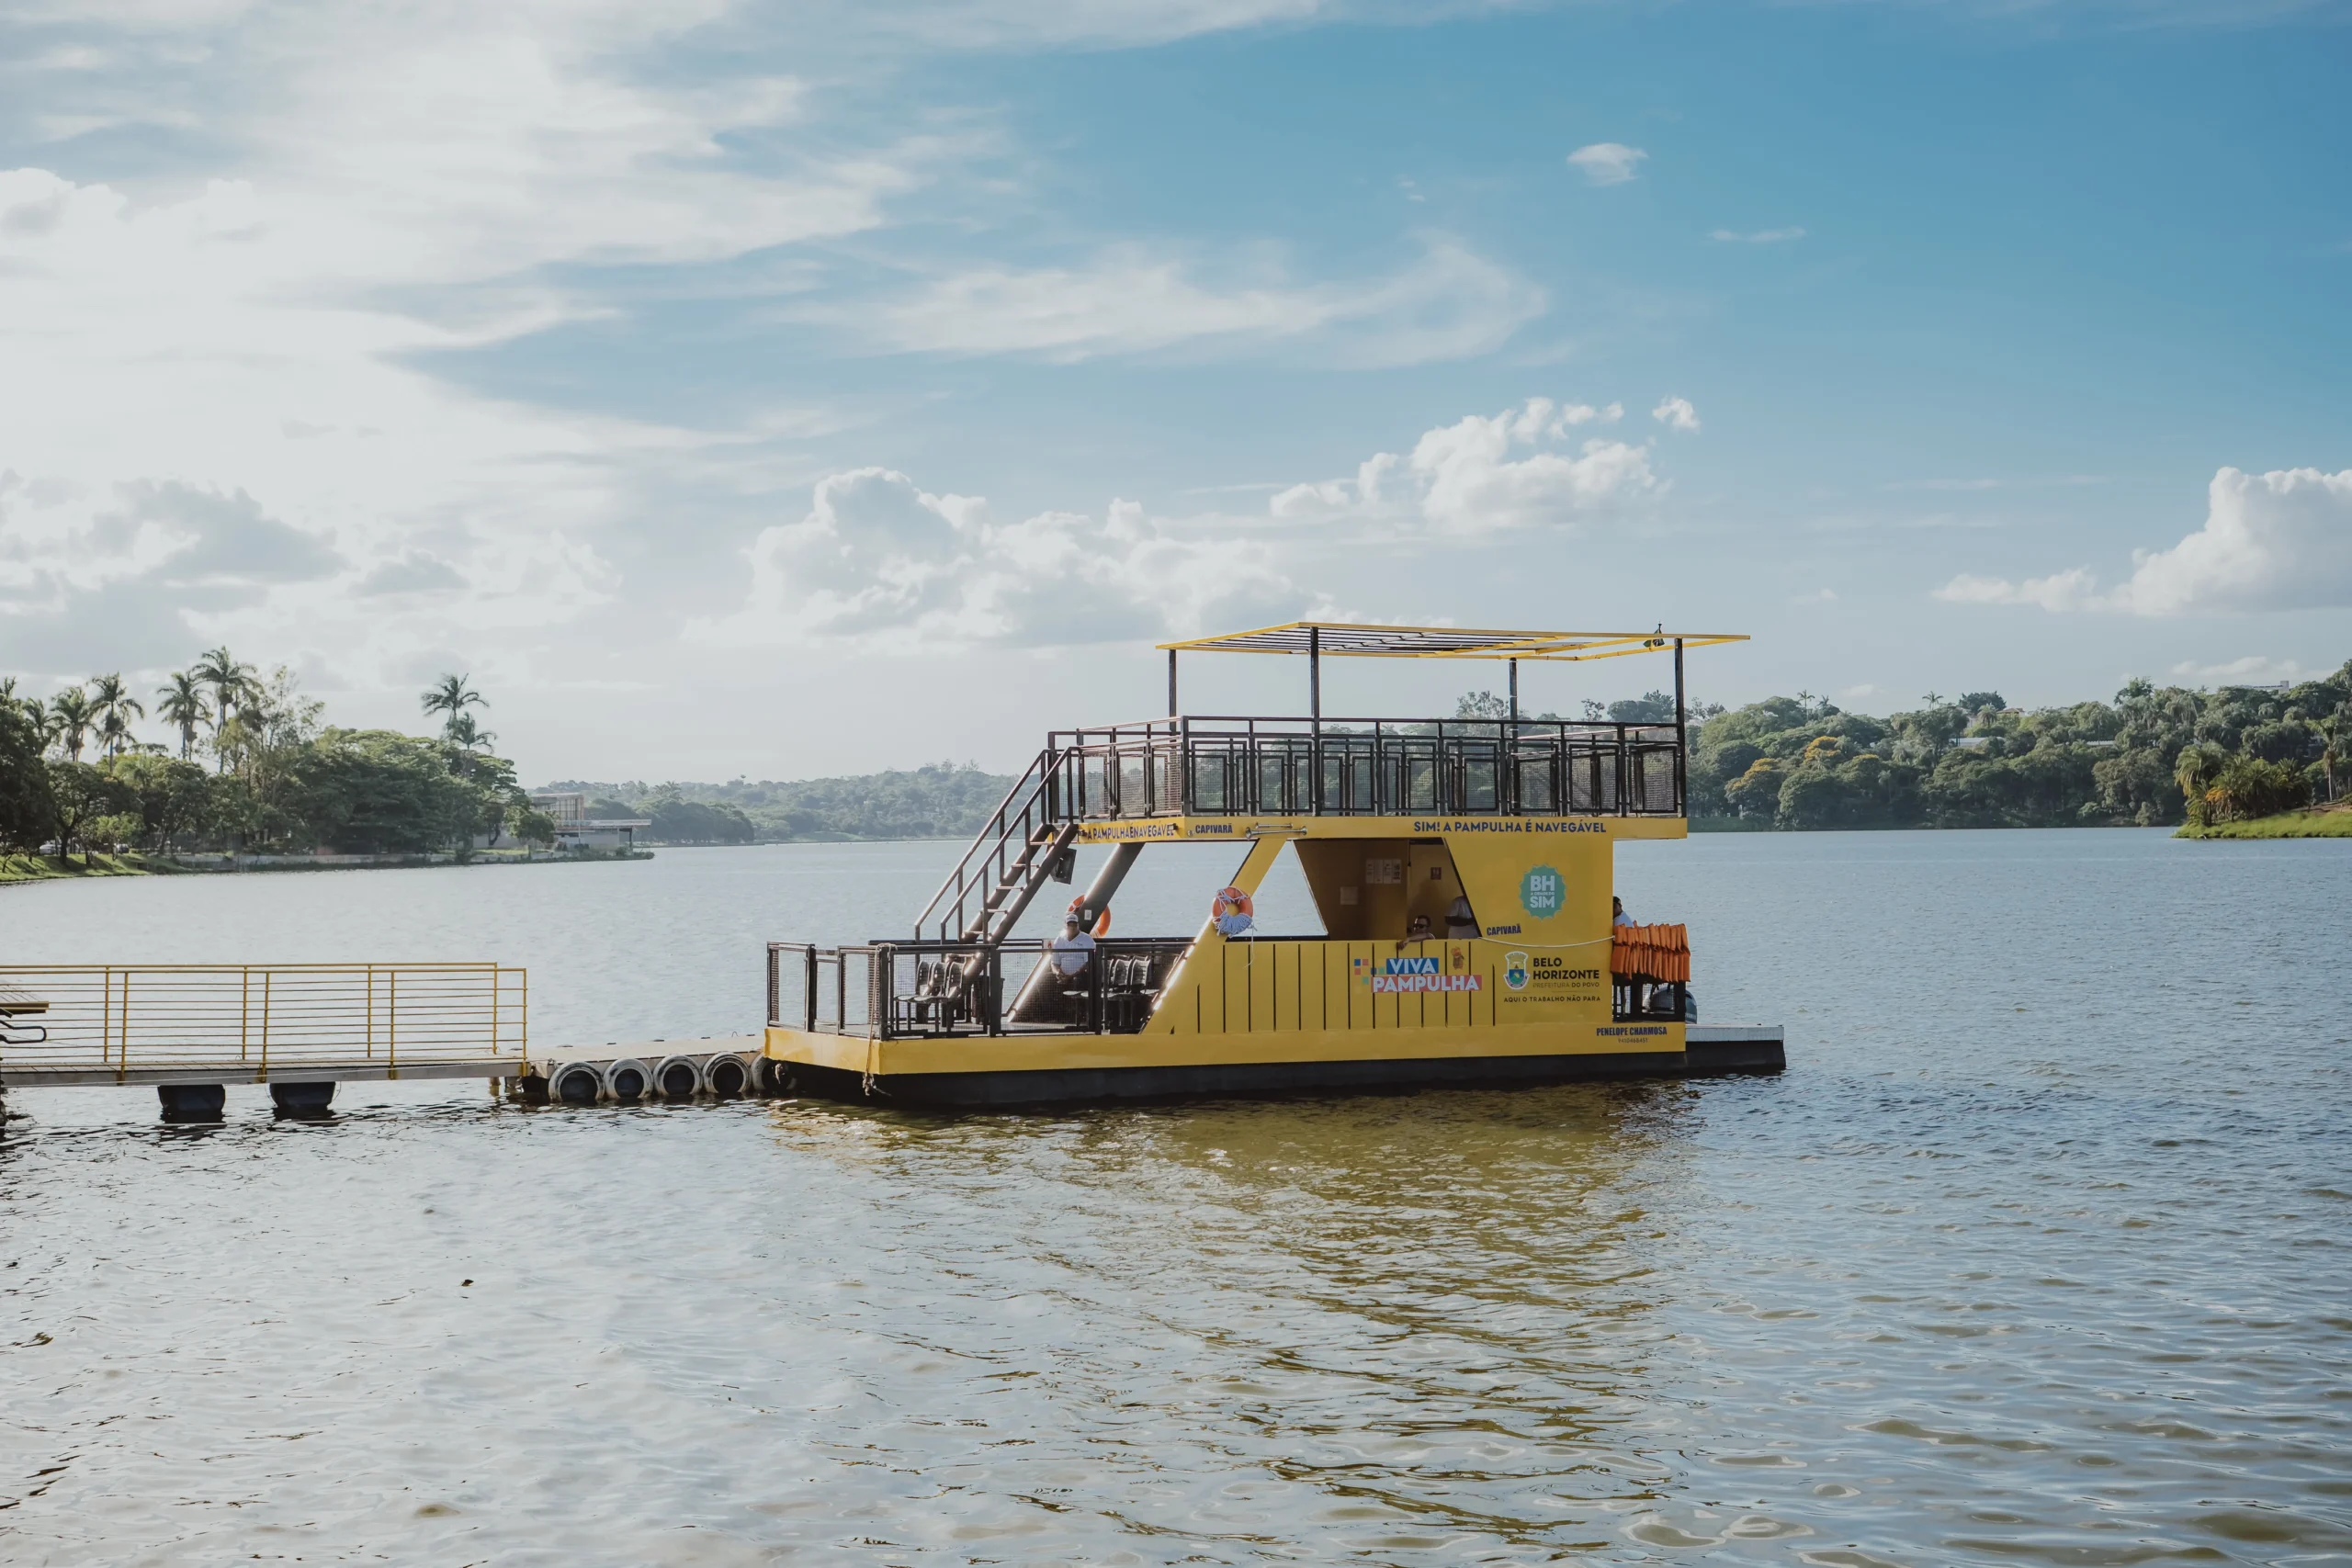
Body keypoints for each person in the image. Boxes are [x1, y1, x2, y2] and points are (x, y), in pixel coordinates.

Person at [1048, 916, 1097, 983]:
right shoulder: (1059, 940)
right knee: (1045, 979)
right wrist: (1058, 973)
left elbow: (1088, 963)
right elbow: (1055, 963)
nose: (1072, 927)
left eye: (1074, 925)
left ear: (1078, 925)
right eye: (1069, 925)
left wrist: (1071, 976)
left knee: (1077, 980)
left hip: (1079, 975)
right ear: (1065, 926)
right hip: (1062, 975)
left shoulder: (1087, 939)